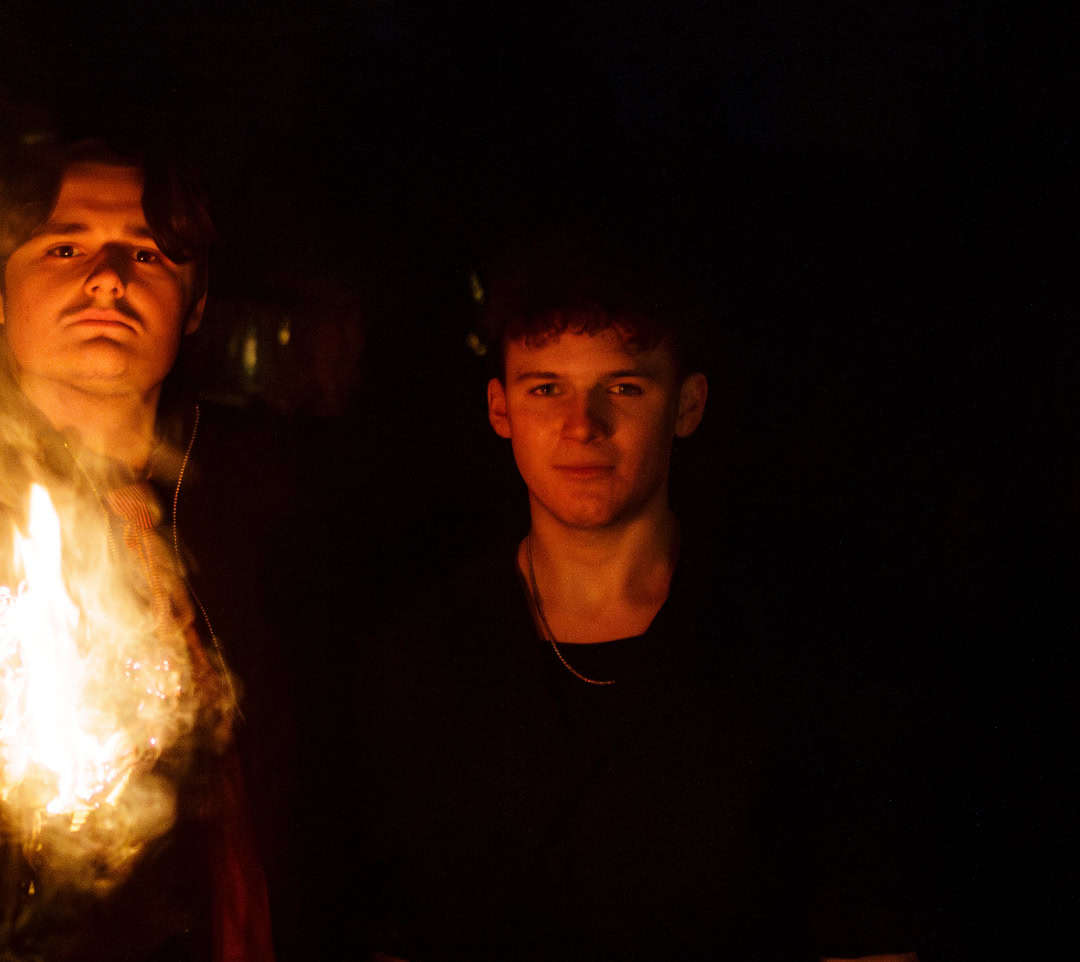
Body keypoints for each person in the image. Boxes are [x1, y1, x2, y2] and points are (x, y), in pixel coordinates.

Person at [355, 231, 918, 961]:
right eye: (546, 387)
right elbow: (392, 932)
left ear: (686, 405)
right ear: (501, 411)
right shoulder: (419, 659)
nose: (581, 425)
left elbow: (868, 935)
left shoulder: (798, 651)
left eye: (623, 386)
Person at [0, 138, 308, 962]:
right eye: (65, 246)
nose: (108, 277)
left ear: (194, 304)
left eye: (149, 253)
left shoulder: (283, 509)